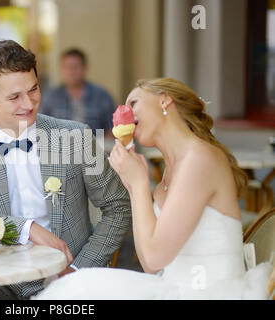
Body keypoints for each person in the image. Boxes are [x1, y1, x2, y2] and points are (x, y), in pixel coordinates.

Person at [35, 78, 273, 299]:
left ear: (164, 99)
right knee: (74, 288)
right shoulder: (166, 179)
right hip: (172, 287)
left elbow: (153, 259)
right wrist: (132, 185)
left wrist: (139, 184)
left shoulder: (200, 158)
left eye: (134, 102)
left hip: (209, 291)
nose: (124, 113)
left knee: (78, 288)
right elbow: (150, 266)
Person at [0, 40, 131, 300]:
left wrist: (79, 268)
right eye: (14, 97)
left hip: (65, 274)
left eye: (34, 89)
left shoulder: (75, 137)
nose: (29, 104)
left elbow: (118, 206)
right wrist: (25, 228)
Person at [40, 48, 115, 136]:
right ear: (61, 69)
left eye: (75, 67)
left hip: (95, 147)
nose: (71, 71)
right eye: (66, 67)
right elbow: (41, 129)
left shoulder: (102, 96)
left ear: (85, 68)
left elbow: (112, 130)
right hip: (59, 148)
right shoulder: (50, 97)